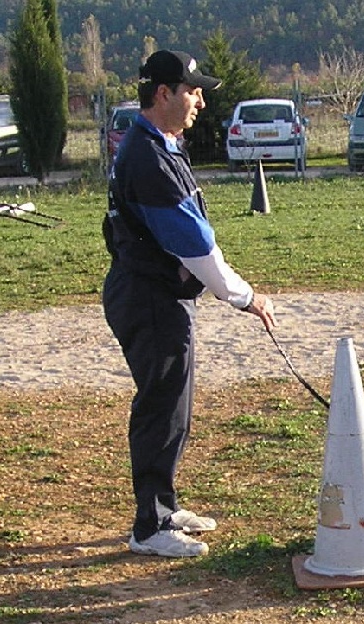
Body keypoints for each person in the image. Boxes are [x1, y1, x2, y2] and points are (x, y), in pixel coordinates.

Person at [102, 49, 276, 558]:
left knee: (174, 402)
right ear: (164, 94)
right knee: (161, 404)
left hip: (159, 295)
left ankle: (164, 505)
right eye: (192, 90)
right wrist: (245, 298)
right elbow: (195, 244)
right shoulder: (150, 157)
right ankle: (150, 526)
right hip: (149, 298)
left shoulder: (159, 144)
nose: (200, 99)